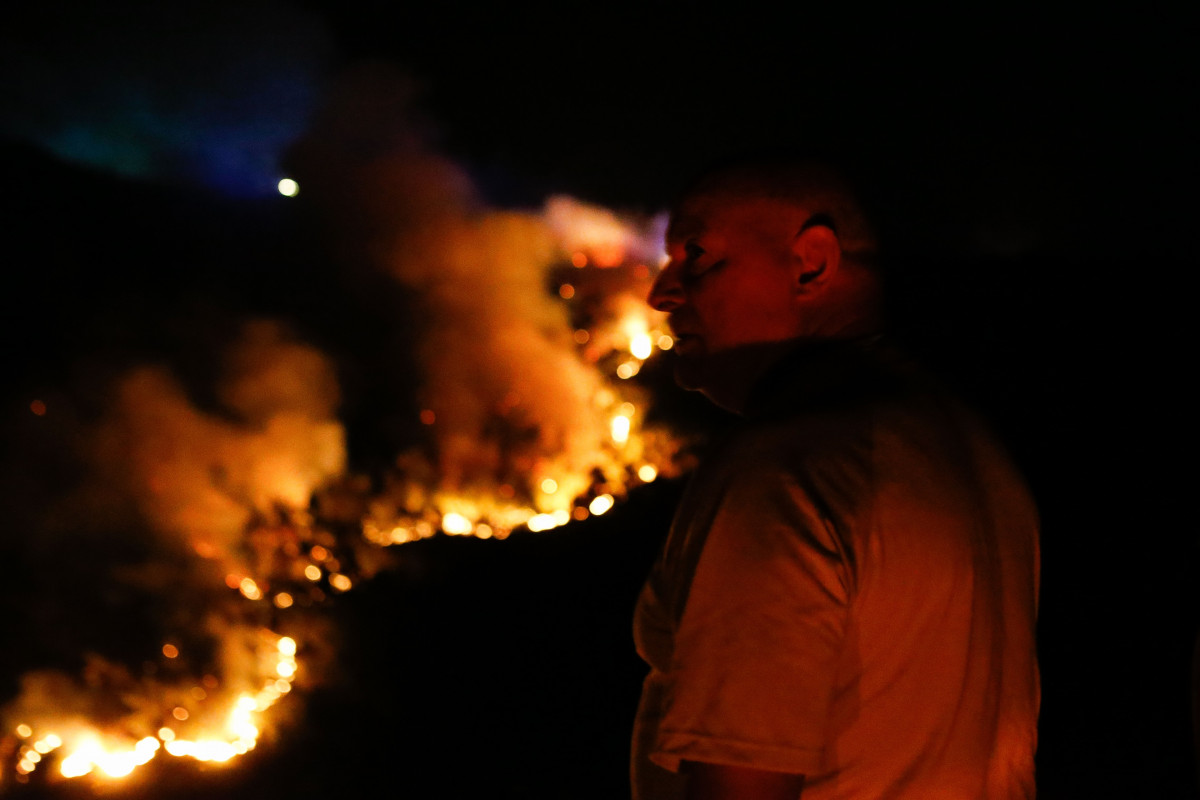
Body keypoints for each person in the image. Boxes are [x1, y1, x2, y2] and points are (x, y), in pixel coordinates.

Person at [631, 159, 1040, 799]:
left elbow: (742, 780)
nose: (662, 292)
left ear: (811, 264)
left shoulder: (786, 467)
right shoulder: (974, 454)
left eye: (698, 255)